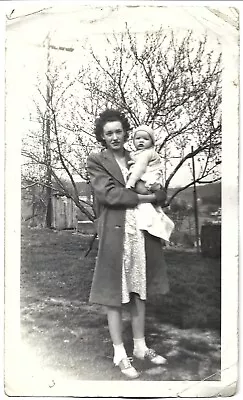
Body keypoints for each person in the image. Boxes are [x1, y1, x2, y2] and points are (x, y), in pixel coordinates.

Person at [87, 109, 169, 379]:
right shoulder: (97, 161)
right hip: (115, 231)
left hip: (141, 231)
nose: (114, 137)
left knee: (139, 289)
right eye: (108, 133)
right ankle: (119, 353)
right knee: (115, 292)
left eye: (119, 131)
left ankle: (141, 347)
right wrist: (147, 198)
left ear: (126, 132)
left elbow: (160, 188)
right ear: (102, 136)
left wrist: (157, 193)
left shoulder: (139, 157)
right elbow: (110, 196)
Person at [126, 125, 174, 242]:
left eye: (145, 139)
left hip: (148, 179)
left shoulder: (148, 153)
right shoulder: (137, 153)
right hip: (145, 181)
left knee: (142, 195)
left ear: (152, 142)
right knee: (148, 208)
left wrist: (130, 183)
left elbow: (140, 169)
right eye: (138, 138)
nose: (141, 141)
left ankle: (157, 224)